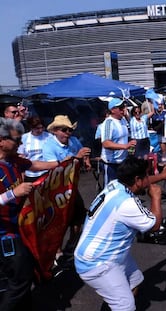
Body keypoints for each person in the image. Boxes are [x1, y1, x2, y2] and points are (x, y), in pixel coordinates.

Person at [74, 156, 166, 310]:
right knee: (125, 305)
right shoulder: (127, 204)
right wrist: (156, 198)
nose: (148, 180)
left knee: (134, 282)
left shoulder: (114, 184)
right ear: (137, 179)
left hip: (111, 254)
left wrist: (162, 176)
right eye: (146, 176)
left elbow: (141, 181)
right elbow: (154, 225)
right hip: (97, 262)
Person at [0, 117, 59, 310]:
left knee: (25, 274)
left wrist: (61, 162)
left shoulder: (13, 159)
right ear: (1, 140)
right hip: (5, 234)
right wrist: (12, 194)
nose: (21, 143)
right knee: (19, 280)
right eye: (16, 140)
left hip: (20, 227)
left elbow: (32, 164)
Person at [42, 115, 92, 255]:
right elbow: (55, 168)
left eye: (70, 130)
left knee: (78, 216)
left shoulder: (74, 141)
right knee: (58, 221)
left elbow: (83, 152)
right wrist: (76, 158)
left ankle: (71, 245)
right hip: (56, 188)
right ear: (55, 131)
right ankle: (56, 251)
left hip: (72, 186)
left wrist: (86, 160)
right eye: (65, 130)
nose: (68, 133)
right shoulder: (48, 146)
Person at [101, 98, 136, 186]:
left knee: (123, 187)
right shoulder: (108, 123)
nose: (123, 109)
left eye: (124, 107)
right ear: (112, 110)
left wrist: (127, 116)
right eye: (120, 108)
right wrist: (125, 146)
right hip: (111, 163)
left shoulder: (123, 120)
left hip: (122, 161)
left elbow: (132, 129)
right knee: (110, 189)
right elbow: (106, 143)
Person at [18, 116, 52, 182]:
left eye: (42, 128)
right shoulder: (24, 138)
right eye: (37, 128)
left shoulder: (49, 136)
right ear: (31, 128)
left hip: (46, 172)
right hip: (30, 174)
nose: (41, 130)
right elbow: (21, 156)